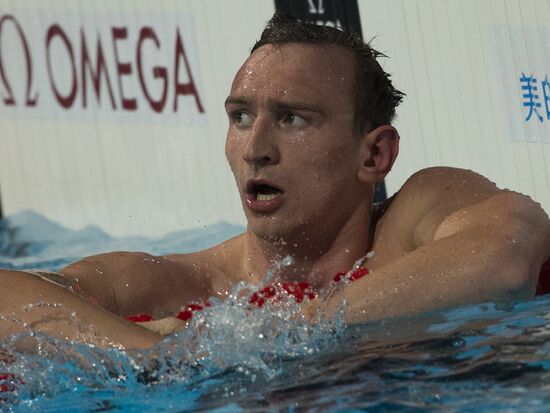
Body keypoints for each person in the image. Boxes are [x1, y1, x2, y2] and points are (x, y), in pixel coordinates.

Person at [1, 13, 549, 350]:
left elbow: (504, 258)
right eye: (240, 116)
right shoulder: (196, 285)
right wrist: (145, 357)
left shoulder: (413, 221)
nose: (256, 149)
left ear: (375, 155)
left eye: (293, 119)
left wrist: (292, 330)